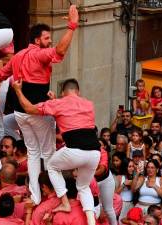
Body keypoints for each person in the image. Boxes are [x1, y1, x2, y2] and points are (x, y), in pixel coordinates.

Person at [0, 5, 79, 206]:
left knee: (33, 154)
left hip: (21, 113)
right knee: (48, 153)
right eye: (47, 38)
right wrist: (72, 26)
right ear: (37, 40)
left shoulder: (17, 56)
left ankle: (36, 195)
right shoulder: (39, 54)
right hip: (38, 112)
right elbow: (61, 50)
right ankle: (53, 194)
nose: (50, 42)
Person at [12, 78, 100, 225]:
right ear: (78, 92)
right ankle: (91, 221)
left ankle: (64, 202)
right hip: (94, 154)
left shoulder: (58, 104)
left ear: (62, 92)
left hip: (75, 151)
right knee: (83, 187)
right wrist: (55, 101)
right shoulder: (89, 104)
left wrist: (18, 90)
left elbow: (29, 109)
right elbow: (71, 112)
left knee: (52, 166)